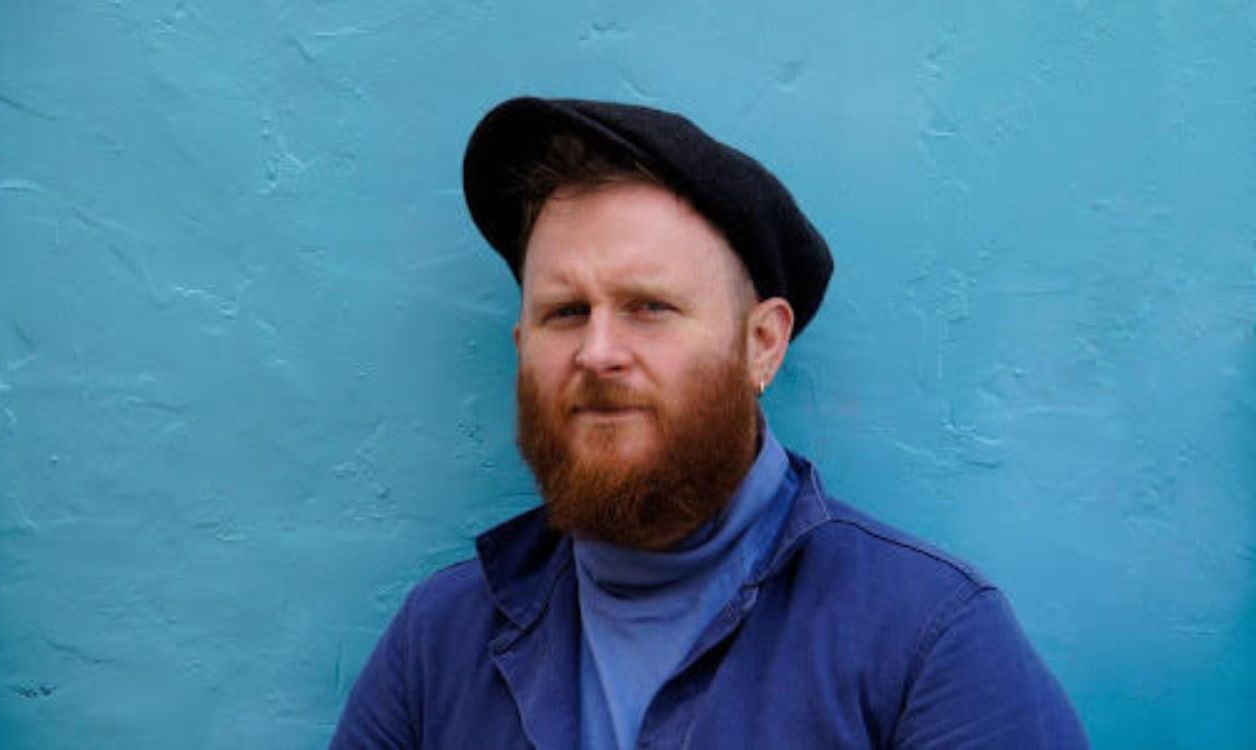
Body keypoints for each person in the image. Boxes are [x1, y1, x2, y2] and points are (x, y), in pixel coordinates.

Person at [330, 97, 1087, 749]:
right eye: (565, 313)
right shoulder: (438, 643)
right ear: (524, 349)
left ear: (761, 345)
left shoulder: (928, 641)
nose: (597, 353)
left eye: (649, 307)